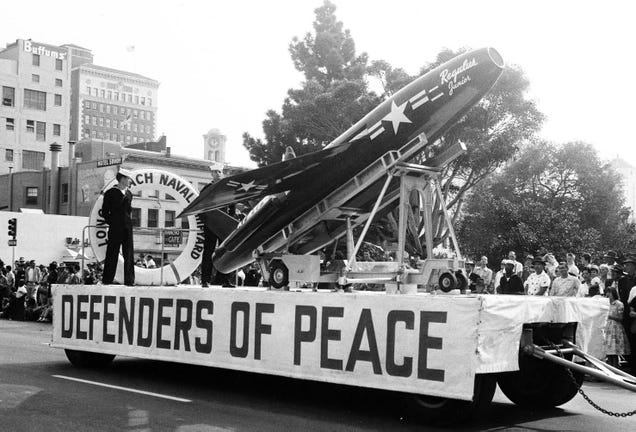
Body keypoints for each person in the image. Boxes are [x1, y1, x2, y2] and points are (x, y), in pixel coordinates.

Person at [101, 169, 135, 285]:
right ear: (122, 179)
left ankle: (130, 280)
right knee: (112, 253)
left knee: (129, 253)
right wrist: (113, 222)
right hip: (115, 227)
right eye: (128, 179)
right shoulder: (110, 193)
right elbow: (105, 212)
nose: (130, 181)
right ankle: (107, 279)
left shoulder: (129, 194)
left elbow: (129, 211)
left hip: (128, 227)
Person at [618, 255, 636, 372]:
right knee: (629, 341)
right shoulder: (622, 280)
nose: (626, 267)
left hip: (634, 313)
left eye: (629, 265)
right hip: (626, 315)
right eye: (626, 265)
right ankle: (632, 366)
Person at [604, 287, 631, 368]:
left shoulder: (619, 304)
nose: (608, 295)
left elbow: (620, 318)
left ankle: (615, 368)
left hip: (615, 328)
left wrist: (610, 316)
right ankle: (610, 367)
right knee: (608, 351)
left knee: (614, 351)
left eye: (610, 293)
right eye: (607, 293)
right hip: (607, 327)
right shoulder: (605, 304)